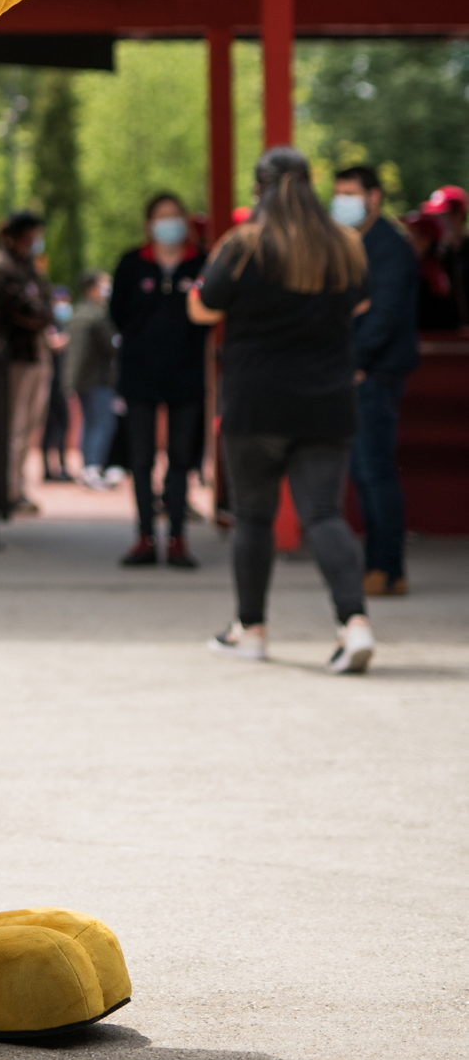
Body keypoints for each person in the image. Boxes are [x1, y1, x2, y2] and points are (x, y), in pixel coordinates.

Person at [190, 145, 374, 674]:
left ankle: (250, 629)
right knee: (323, 513)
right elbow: (360, 303)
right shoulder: (343, 246)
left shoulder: (244, 244)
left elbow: (203, 306)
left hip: (257, 401)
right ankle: (354, 622)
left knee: (253, 516)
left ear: (259, 190)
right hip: (328, 400)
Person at [110, 192, 208, 570]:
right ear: (149, 225)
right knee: (142, 458)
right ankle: (145, 536)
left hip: (186, 375)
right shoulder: (132, 265)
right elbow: (117, 313)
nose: (170, 224)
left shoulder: (199, 264)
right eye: (162, 217)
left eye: (176, 216)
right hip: (140, 375)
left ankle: (179, 536)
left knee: (182, 458)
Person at [333, 163, 418, 599]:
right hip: (358, 373)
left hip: (376, 376)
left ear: (374, 197)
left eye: (350, 193)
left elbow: (381, 315)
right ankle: (378, 565)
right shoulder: (350, 244)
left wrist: (355, 360)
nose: (341, 201)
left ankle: (387, 567)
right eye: (338, 193)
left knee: (375, 472)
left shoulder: (388, 247)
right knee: (362, 475)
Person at [0, 210, 53, 516]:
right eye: (33, 234)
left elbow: (46, 307)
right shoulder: (3, 266)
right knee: (13, 425)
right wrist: (38, 314)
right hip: (15, 355)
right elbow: (21, 308)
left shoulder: (31, 268)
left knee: (28, 426)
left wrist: (40, 314)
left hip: (37, 354)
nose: (37, 240)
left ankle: (18, 485)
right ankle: (6, 488)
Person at [67, 269, 119, 484]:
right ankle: (94, 468)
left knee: (89, 423)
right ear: (92, 289)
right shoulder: (97, 315)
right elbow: (111, 346)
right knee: (103, 423)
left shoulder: (77, 312)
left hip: (80, 379)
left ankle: (88, 466)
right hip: (98, 379)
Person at [41, 287, 74, 482]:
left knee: (63, 424)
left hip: (61, 382)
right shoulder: (48, 322)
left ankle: (61, 466)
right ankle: (47, 468)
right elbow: (52, 344)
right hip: (48, 382)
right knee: (48, 426)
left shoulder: (63, 324)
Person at [423, 184, 468, 326]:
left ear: (459, 215)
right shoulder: (434, 256)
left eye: (442, 216)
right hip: (446, 337)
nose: (438, 222)